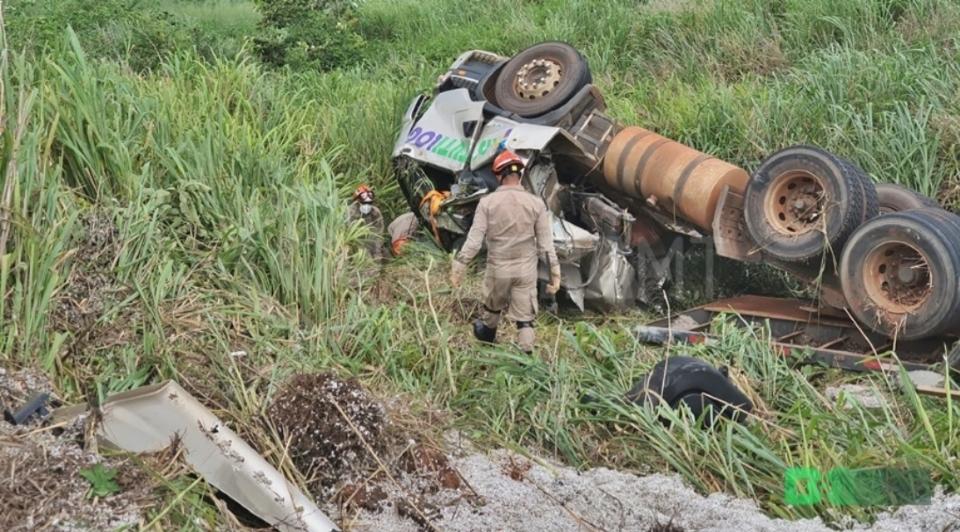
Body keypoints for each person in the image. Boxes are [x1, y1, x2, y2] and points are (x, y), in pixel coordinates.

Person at [449, 150, 561, 353]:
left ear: (498, 176)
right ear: (520, 175)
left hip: (498, 269)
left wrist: (459, 265)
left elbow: (474, 240)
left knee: (492, 308)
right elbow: (546, 244)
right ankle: (526, 357)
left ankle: (487, 339)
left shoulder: (487, 203)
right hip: (526, 271)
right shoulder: (536, 204)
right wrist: (555, 272)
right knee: (525, 319)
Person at [348, 184, 385, 261]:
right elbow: (348, 234)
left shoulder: (375, 213)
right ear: (358, 201)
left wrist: (377, 254)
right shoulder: (351, 212)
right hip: (355, 244)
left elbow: (378, 235)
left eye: (369, 203)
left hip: (371, 243)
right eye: (364, 203)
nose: (367, 206)